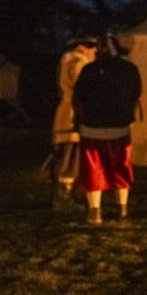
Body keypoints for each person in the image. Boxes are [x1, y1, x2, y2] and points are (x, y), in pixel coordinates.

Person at [72, 33, 142, 225]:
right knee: (121, 168)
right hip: (120, 128)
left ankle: (95, 213)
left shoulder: (88, 70)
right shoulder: (130, 69)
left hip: (91, 128)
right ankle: (122, 209)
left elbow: (78, 98)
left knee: (93, 171)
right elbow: (136, 95)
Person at [51, 35, 98, 205]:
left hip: (65, 111)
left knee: (66, 153)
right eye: (92, 48)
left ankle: (64, 191)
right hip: (73, 114)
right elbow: (82, 91)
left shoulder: (66, 62)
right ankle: (66, 193)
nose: (95, 52)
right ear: (82, 48)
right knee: (72, 154)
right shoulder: (79, 64)